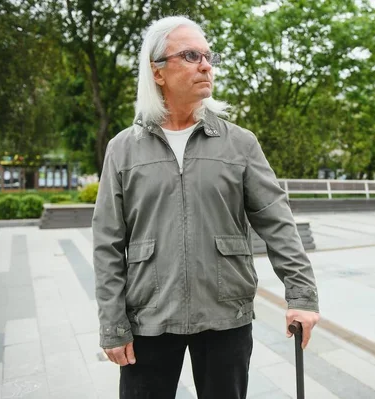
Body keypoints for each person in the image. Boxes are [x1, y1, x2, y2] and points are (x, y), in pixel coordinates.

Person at [92, 16, 320, 399]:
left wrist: (301, 297)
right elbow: (107, 242)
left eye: (208, 55)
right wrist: (113, 325)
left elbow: (277, 221)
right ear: (158, 72)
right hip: (148, 318)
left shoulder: (240, 143)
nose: (206, 65)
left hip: (224, 314)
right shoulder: (123, 148)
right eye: (191, 54)